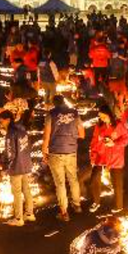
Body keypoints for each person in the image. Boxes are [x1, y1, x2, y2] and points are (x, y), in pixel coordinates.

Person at [42, 93, 85, 222]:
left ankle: (64, 212)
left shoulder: (51, 114)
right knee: (73, 179)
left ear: (54, 103)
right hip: (71, 150)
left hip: (56, 151)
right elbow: (82, 134)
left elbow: (46, 135)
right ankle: (77, 205)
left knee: (60, 183)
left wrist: (44, 152)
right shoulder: (75, 113)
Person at [89, 103, 128, 213]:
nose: (102, 119)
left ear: (110, 115)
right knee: (94, 180)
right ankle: (96, 202)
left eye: (104, 116)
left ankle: (118, 205)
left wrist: (114, 143)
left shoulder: (118, 126)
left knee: (117, 183)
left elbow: (126, 139)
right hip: (100, 156)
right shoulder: (99, 126)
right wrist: (93, 155)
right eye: (100, 116)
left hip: (115, 158)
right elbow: (94, 141)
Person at [0, 108, 34, 225]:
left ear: (8, 120)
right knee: (26, 189)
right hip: (26, 163)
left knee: (17, 192)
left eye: (2, 121)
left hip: (16, 166)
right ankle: (30, 213)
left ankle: (18, 218)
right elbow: (29, 145)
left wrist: (6, 167)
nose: (1, 124)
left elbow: (10, 152)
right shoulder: (22, 129)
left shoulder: (10, 133)